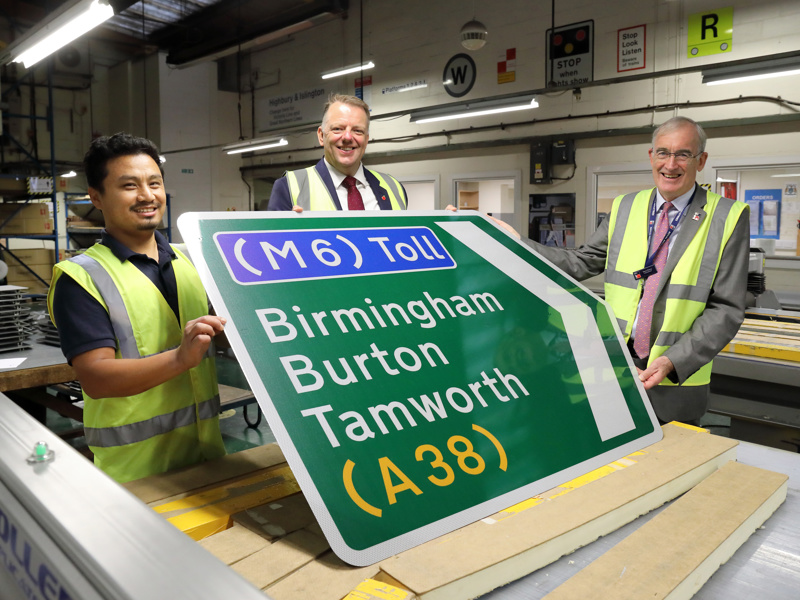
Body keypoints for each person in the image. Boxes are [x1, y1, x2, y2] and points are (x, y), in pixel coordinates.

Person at [526, 116, 749, 424]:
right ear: (651, 155)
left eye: (683, 154)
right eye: (663, 153)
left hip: (675, 381)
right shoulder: (625, 207)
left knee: (667, 468)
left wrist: (673, 361)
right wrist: (512, 242)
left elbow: (727, 309)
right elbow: (580, 262)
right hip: (612, 369)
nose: (671, 164)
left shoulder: (728, 217)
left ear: (701, 161)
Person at [47, 133, 227, 483]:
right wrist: (179, 358)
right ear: (96, 197)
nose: (147, 196)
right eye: (129, 185)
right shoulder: (82, 277)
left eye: (154, 183)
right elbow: (96, 378)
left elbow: (232, 330)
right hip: (136, 476)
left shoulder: (192, 260)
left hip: (208, 458)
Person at [267, 94, 408, 211]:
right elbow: (273, 242)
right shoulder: (288, 187)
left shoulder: (394, 187)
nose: (347, 137)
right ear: (321, 136)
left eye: (357, 130)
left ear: (366, 140)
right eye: (338, 129)